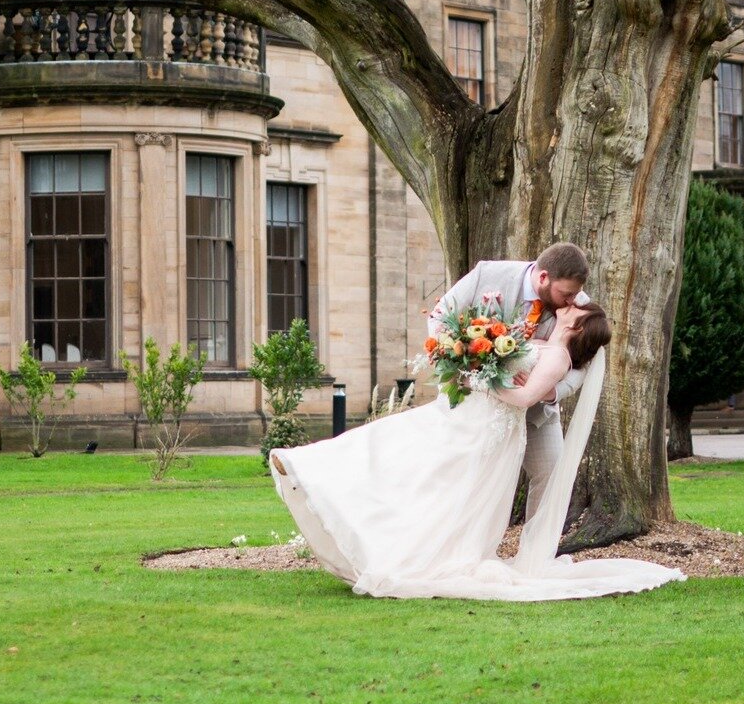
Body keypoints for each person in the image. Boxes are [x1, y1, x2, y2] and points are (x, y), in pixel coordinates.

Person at [269, 298, 685, 602]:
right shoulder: (535, 333)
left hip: (491, 429)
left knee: (427, 472)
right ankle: (317, 472)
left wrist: (479, 382)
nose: (571, 302)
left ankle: (330, 487)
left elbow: (524, 400)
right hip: (470, 418)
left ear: (579, 326)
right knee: (401, 451)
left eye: (577, 307)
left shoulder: (559, 357)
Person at [428, 244, 593, 523]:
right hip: (480, 405)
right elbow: (440, 316)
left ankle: (536, 555)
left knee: (553, 472)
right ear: (543, 278)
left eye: (575, 294)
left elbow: (583, 362)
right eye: (565, 294)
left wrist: (554, 391)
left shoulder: (577, 305)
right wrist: (464, 361)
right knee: (473, 480)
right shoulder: (487, 275)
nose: (571, 301)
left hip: (536, 412)